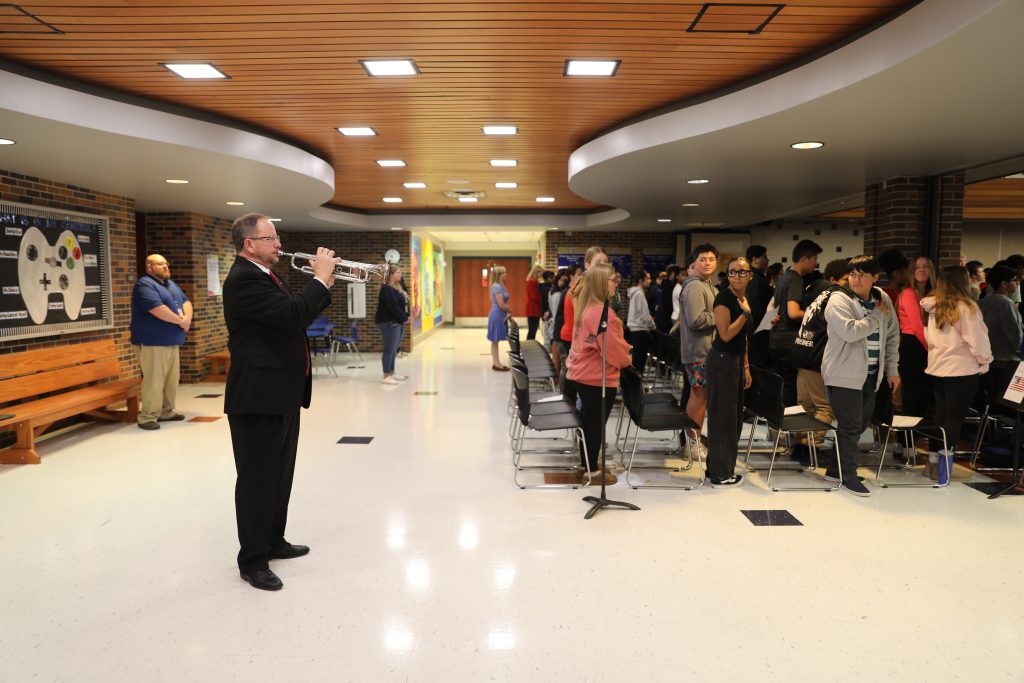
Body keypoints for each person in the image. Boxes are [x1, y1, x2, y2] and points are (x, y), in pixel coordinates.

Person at [223, 213, 336, 591]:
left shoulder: (267, 275)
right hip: (257, 397)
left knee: (280, 474)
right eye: (270, 239)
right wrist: (319, 279)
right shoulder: (243, 280)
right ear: (249, 243)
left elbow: (295, 318)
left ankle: (273, 541)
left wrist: (323, 285)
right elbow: (292, 316)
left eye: (277, 237)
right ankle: (252, 561)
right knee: (257, 480)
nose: (279, 244)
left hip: (280, 393)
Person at [821, 255, 901, 497]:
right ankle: (849, 476)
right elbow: (850, 332)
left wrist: (893, 368)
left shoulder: (881, 297)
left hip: (872, 373)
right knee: (850, 425)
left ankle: (835, 469)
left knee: (859, 425)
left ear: (875, 277)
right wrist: (876, 316)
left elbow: (893, 334)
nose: (856, 279)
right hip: (842, 373)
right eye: (853, 274)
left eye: (862, 274)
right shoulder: (838, 299)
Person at [921, 266, 993, 484]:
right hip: (962, 370)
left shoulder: (932, 306)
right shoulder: (966, 307)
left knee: (940, 418)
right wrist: (985, 361)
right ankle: (944, 471)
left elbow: (928, 338)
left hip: (937, 368)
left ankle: (933, 465)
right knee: (953, 420)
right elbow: (978, 341)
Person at [564, 264, 633, 485]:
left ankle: (588, 464)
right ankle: (592, 471)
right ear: (602, 284)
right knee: (595, 425)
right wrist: (628, 356)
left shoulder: (589, 308)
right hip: (596, 379)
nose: (616, 284)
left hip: (583, 376)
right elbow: (613, 351)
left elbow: (593, 342)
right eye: (613, 280)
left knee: (588, 423)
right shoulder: (602, 315)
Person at [794, 258, 850, 461]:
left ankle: (802, 447)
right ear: (835, 279)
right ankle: (811, 448)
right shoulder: (837, 296)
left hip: (802, 352)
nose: (851, 282)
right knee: (825, 407)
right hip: (818, 357)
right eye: (847, 278)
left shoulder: (817, 290)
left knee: (805, 406)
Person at [705, 256, 754, 487]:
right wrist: (745, 315)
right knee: (723, 419)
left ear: (749, 275)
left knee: (732, 418)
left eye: (742, 272)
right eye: (733, 272)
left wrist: (745, 365)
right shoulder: (724, 298)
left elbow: (743, 337)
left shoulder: (742, 298)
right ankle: (720, 474)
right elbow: (725, 334)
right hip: (722, 361)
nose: (737, 276)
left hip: (734, 361)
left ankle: (716, 468)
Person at [130, 253, 192, 430]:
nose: (166, 267)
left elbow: (186, 301)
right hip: (152, 342)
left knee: (171, 380)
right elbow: (157, 309)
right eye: (160, 264)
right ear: (149, 267)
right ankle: (148, 417)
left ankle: (166, 411)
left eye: (166, 264)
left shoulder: (170, 284)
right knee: (154, 380)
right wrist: (181, 321)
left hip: (172, 340)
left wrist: (187, 317)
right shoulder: (144, 285)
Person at [769, 239, 822, 406]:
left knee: (782, 384)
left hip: (776, 339)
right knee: (791, 386)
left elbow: (771, 307)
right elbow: (793, 313)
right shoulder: (796, 280)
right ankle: (788, 428)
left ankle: (777, 427)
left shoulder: (784, 278)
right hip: (788, 340)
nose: (816, 263)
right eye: (814, 259)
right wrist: (816, 315)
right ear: (804, 258)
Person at [680, 244, 719, 453]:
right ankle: (692, 443)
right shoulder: (695, 286)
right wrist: (721, 316)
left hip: (706, 351)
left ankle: (693, 440)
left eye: (711, 259)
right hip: (699, 352)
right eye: (703, 259)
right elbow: (696, 320)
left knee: (700, 396)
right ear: (693, 263)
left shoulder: (708, 286)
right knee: (699, 397)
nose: (707, 263)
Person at [560, 247, 609, 401]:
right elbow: (586, 327)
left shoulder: (593, 286)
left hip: (582, 345)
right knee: (583, 391)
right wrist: (593, 344)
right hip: (579, 345)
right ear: (587, 265)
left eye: (605, 262)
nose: (603, 265)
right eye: (598, 262)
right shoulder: (583, 288)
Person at [896, 255, 935, 417]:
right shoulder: (908, 293)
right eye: (918, 267)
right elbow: (918, 326)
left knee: (924, 393)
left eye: (926, 266)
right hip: (913, 346)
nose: (922, 270)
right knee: (913, 394)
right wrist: (933, 350)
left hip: (925, 344)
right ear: (912, 271)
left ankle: (917, 434)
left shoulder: (933, 292)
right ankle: (907, 438)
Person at [979, 265, 1022, 395]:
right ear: (1004, 284)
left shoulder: (982, 302)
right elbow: (1015, 335)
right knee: (1008, 399)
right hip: (1007, 361)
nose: (1017, 283)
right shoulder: (1006, 304)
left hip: (989, 358)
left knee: (993, 397)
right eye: (1015, 280)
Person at [375, 263, 410, 385]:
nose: (400, 275)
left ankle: (392, 372)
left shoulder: (397, 287)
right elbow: (393, 307)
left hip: (397, 321)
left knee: (395, 349)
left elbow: (402, 302)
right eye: (398, 273)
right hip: (388, 322)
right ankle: (386, 375)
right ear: (390, 275)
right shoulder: (386, 289)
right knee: (389, 349)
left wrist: (405, 317)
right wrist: (404, 317)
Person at [745, 245, 772, 371]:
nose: (767, 260)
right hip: (757, 332)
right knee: (756, 368)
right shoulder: (754, 279)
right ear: (755, 259)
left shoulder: (757, 277)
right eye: (764, 257)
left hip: (757, 331)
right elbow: (755, 308)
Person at [626, 270, 657, 373]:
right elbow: (645, 314)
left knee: (637, 359)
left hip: (635, 330)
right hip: (640, 330)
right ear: (640, 281)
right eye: (647, 279)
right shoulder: (639, 294)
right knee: (639, 361)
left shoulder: (635, 293)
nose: (650, 281)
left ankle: (635, 385)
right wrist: (653, 326)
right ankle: (636, 386)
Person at [487, 265, 511, 371]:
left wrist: (507, 312)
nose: (506, 274)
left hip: (500, 314)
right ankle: (497, 364)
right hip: (497, 315)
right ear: (498, 275)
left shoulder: (501, 286)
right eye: (503, 273)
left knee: (495, 341)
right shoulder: (496, 286)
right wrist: (510, 311)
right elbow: (501, 304)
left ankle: (497, 363)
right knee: (495, 340)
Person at [524, 263, 543, 340]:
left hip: (534, 310)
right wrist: (543, 298)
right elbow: (534, 296)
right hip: (533, 310)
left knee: (533, 331)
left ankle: (529, 346)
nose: (541, 275)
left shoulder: (535, 282)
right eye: (540, 273)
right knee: (532, 331)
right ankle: (528, 347)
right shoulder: (531, 282)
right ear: (537, 272)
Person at [539, 270, 554, 343]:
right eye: (551, 278)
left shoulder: (549, 287)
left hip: (546, 313)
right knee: (548, 336)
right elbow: (546, 303)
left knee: (548, 335)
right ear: (545, 279)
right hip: (546, 313)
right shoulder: (546, 289)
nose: (553, 279)